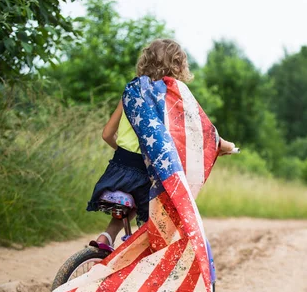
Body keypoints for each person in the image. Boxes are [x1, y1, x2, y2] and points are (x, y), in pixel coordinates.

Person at [87, 38, 235, 250]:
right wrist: (225, 146)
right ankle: (139, 259)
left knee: (130, 204)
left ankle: (106, 237)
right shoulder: (174, 98)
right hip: (146, 177)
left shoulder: (132, 92)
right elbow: (200, 132)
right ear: (178, 66)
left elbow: (107, 134)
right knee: (160, 224)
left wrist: (123, 152)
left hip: (117, 171)